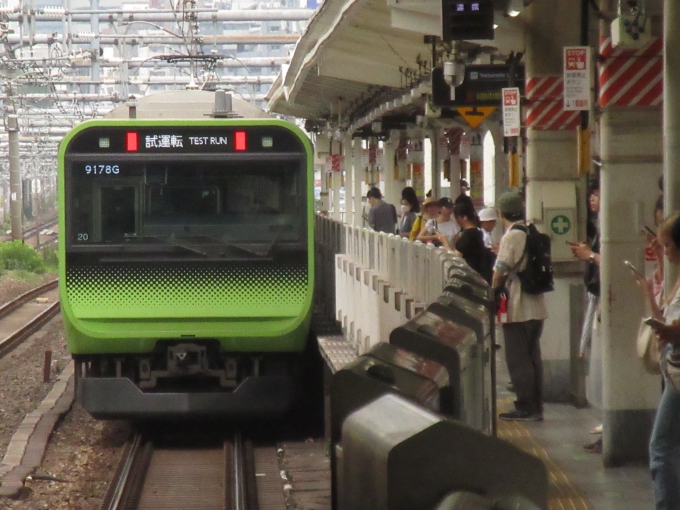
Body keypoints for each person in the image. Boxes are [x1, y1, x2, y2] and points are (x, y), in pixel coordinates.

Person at [636, 213, 680, 510]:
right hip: (674, 369)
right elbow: (666, 316)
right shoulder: (677, 280)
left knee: (660, 447)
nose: (663, 251)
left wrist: (673, 331)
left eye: (666, 246)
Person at [492, 191, 548, 421]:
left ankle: (525, 405)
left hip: (517, 306)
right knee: (533, 356)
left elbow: (501, 270)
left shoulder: (511, 236)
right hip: (537, 306)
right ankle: (536, 405)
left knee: (518, 359)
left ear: (500, 213)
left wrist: (493, 290)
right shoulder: (531, 231)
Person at [570, 182, 603, 453]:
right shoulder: (599, 226)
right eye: (590, 195)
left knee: (597, 356)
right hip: (595, 295)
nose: (593, 200)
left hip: (604, 298)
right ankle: (604, 420)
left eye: (597, 195)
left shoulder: (610, 227)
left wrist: (589, 255)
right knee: (589, 352)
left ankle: (608, 421)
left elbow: (612, 259)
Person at [442, 199, 493, 284]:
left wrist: (445, 242)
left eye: (457, 218)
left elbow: (456, 258)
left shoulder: (467, 236)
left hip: (470, 278)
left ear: (464, 218)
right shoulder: (478, 232)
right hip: (479, 274)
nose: (456, 221)